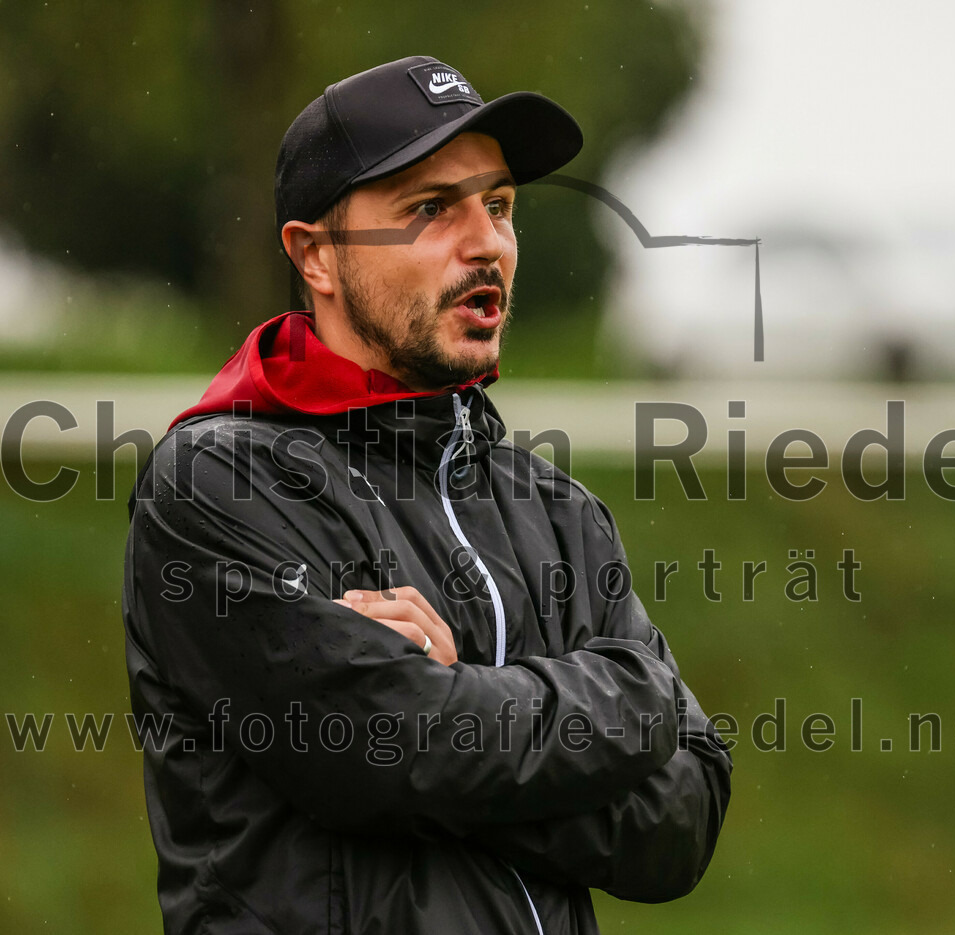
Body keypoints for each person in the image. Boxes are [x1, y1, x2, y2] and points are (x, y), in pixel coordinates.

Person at [122, 56, 731, 935]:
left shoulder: (560, 509)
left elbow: (687, 813)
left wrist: (464, 700)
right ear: (318, 257)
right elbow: (381, 748)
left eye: (499, 205)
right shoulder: (216, 484)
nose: (486, 242)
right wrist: (627, 700)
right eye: (429, 209)